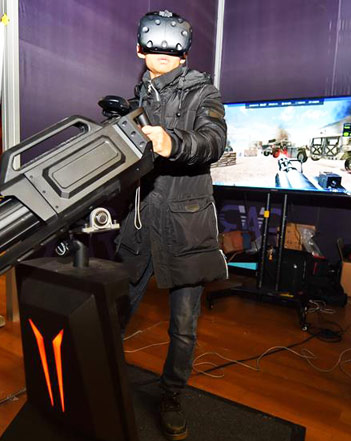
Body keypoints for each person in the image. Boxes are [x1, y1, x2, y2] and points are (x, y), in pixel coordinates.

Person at [116, 10, 228, 441]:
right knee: (114, 310)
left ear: (184, 54)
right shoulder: (139, 94)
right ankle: (100, 376)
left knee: (183, 326)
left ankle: (172, 395)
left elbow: (213, 141)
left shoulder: (204, 91)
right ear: (139, 49)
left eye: (172, 49)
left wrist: (172, 141)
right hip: (141, 218)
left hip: (187, 224)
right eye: (153, 47)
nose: (162, 54)